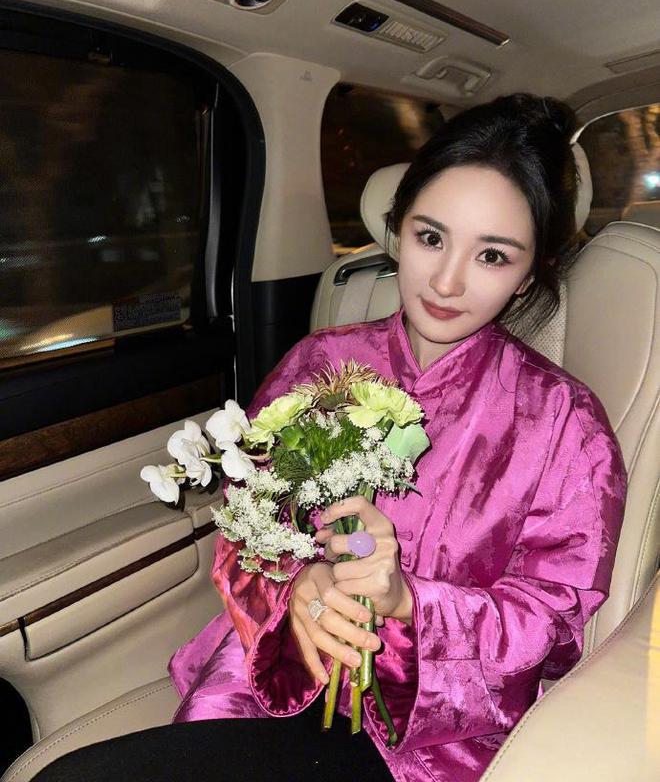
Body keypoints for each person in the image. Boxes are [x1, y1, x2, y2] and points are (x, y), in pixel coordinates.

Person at [33, 93, 628, 782]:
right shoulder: (319, 364)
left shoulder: (565, 424)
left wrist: (409, 603)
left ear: (527, 277)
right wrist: (298, 584)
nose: (447, 281)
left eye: (492, 255)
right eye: (431, 238)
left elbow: (554, 622)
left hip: (425, 732)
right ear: (397, 231)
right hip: (275, 675)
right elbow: (246, 525)